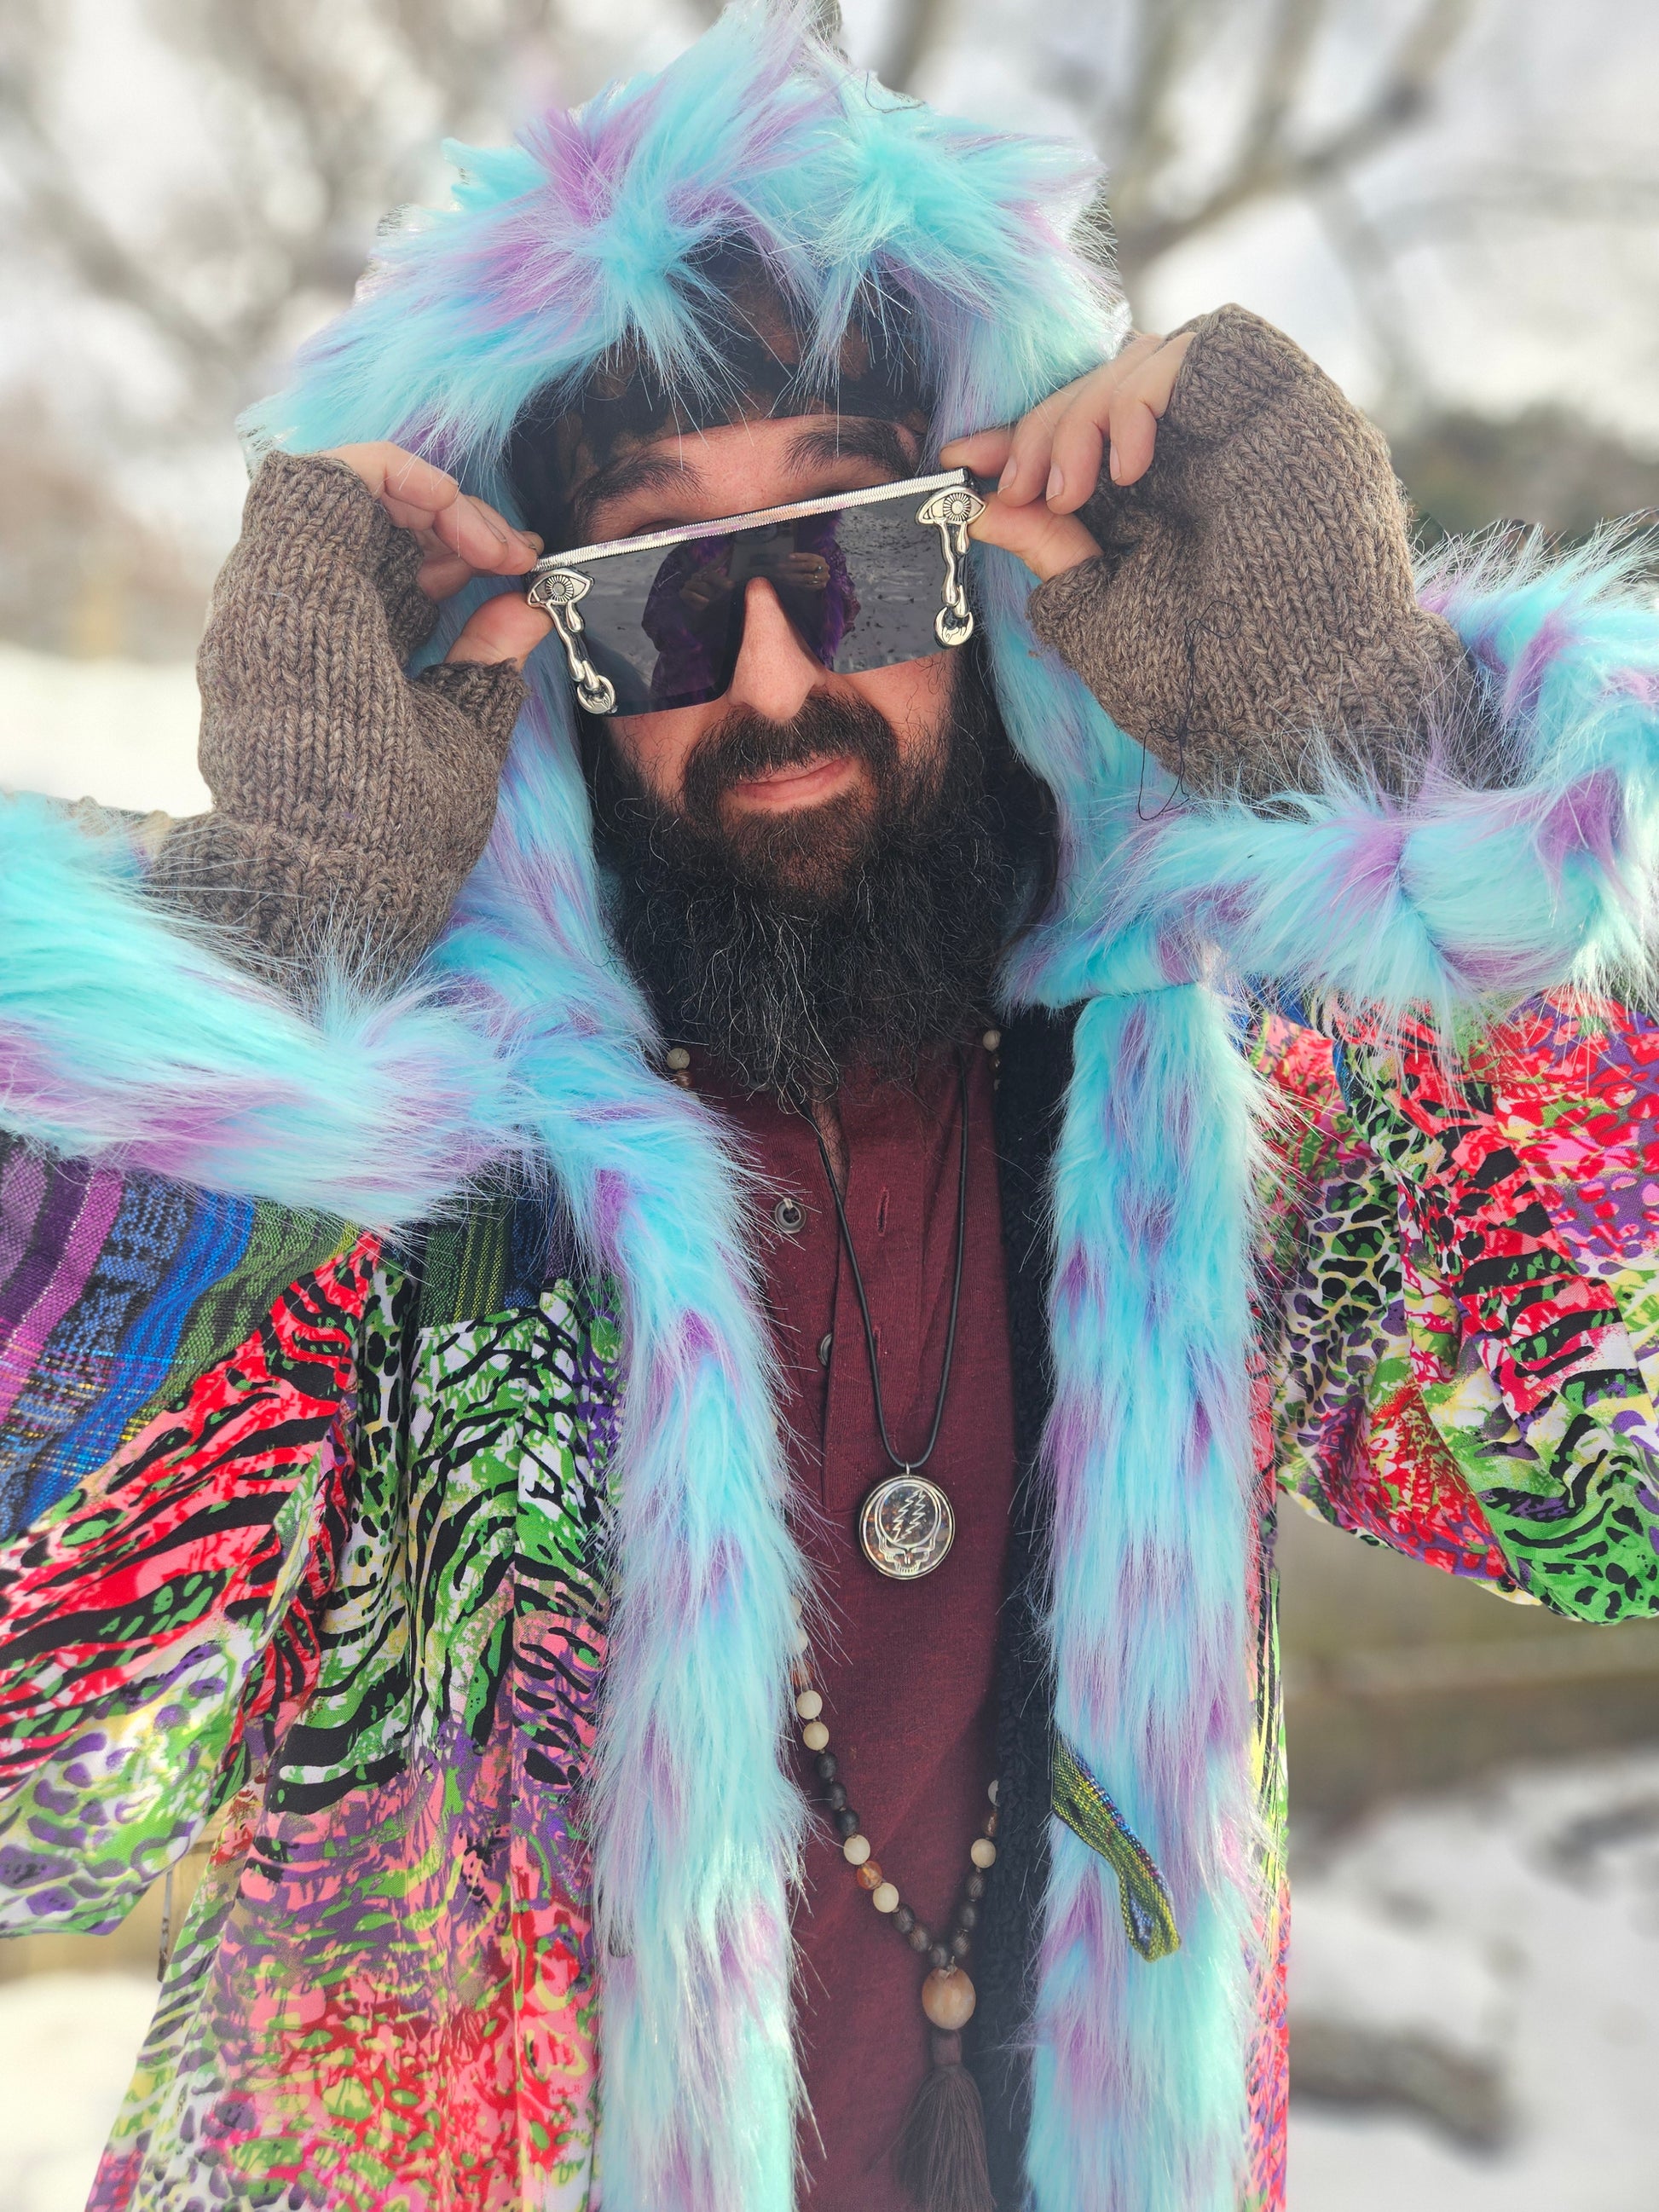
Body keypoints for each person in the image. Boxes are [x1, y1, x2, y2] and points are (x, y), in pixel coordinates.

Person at [3, 9, 1658, 2211]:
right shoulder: (418, 1198)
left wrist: (1393, 781)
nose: (777, 676)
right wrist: (280, 967)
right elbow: (33, 1760)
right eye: (659, 593)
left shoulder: (1192, 1090)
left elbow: (1617, 1477)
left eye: (859, 551)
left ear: (997, 555)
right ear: (538, 643)